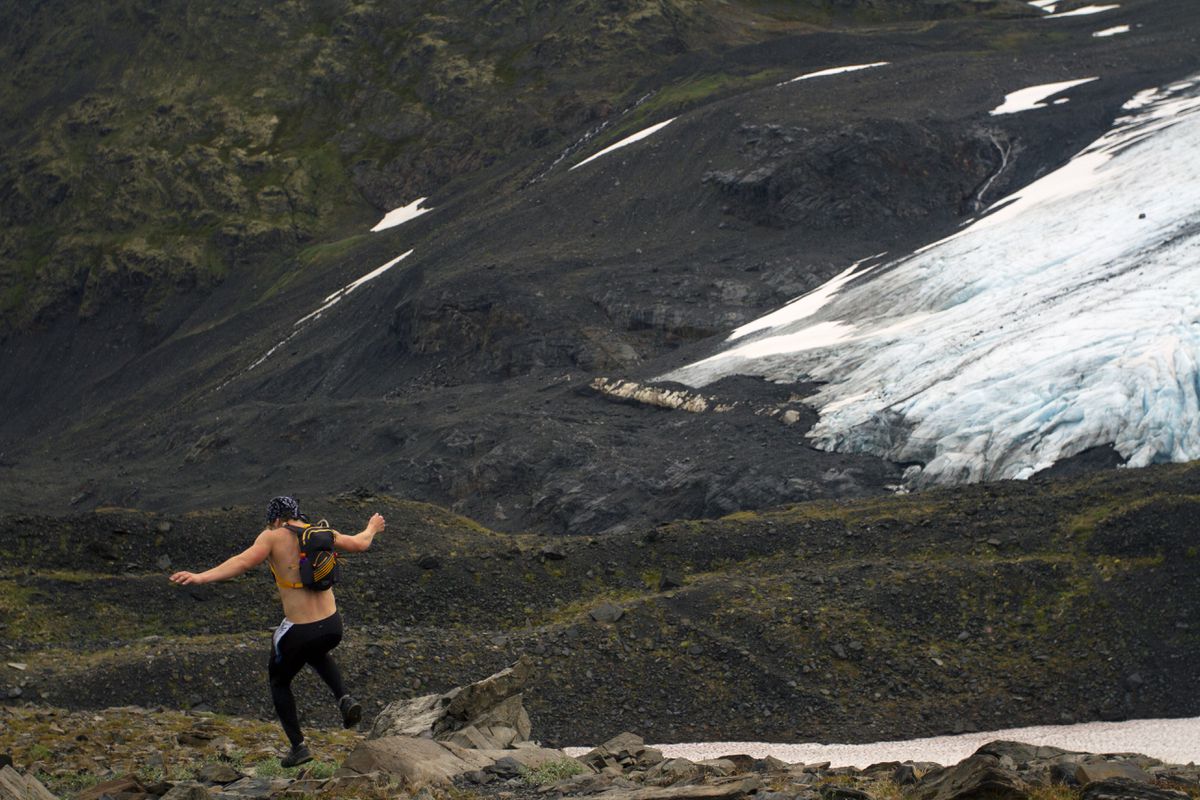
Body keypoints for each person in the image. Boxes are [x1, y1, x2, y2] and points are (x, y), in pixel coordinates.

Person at [169, 496, 385, 767]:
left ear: (275, 520)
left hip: (299, 630)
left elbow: (242, 562)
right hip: (332, 626)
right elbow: (361, 543)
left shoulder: (272, 537)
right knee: (315, 650)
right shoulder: (322, 532)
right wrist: (372, 526)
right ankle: (344, 698)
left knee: (279, 681)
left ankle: (298, 747)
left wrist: (201, 576)